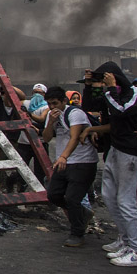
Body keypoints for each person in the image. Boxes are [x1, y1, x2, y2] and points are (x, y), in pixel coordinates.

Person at [83, 62, 137, 268]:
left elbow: (121, 111)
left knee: (125, 200)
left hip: (129, 151)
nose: (102, 83)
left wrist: (111, 89)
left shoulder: (134, 93)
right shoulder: (111, 94)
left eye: (104, 79)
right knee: (110, 197)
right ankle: (126, 240)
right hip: (115, 149)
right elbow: (91, 106)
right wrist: (89, 85)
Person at [42, 86, 99, 247]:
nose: (52, 107)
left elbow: (74, 137)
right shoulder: (51, 116)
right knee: (54, 195)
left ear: (64, 101)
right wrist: (50, 123)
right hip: (64, 162)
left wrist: (63, 157)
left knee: (73, 198)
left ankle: (77, 233)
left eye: (55, 103)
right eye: (49, 104)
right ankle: (82, 213)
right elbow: (46, 138)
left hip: (82, 162)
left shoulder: (75, 114)